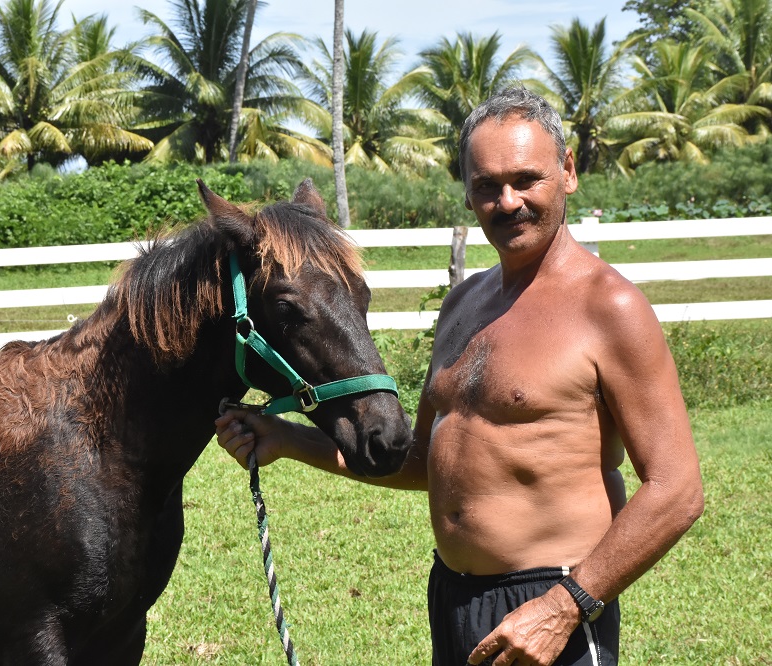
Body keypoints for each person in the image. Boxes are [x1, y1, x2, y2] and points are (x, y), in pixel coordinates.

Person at [215, 86, 704, 666]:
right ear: (467, 193)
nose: (508, 201)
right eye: (486, 185)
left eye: (527, 179)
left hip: (552, 605)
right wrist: (290, 439)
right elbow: (427, 461)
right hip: (453, 598)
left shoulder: (610, 309)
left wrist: (566, 607)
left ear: (568, 172)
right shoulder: (463, 306)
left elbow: (677, 491)